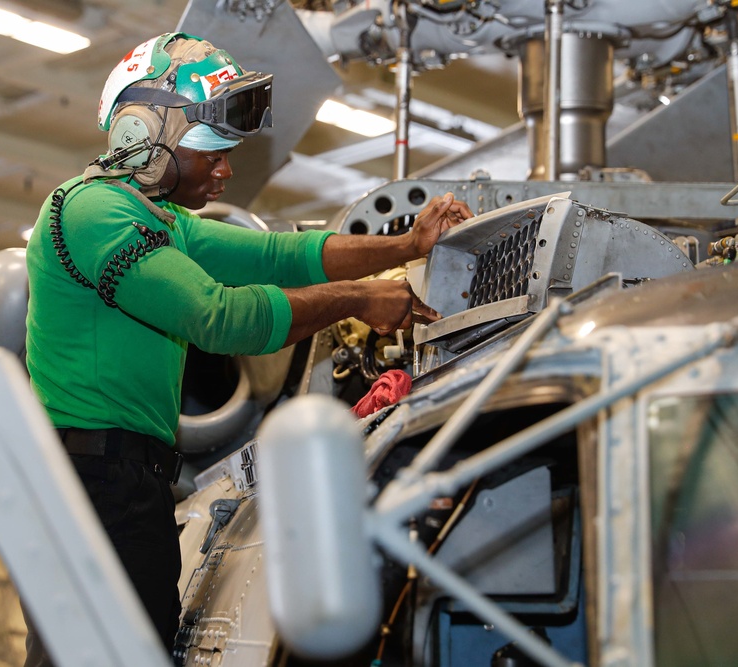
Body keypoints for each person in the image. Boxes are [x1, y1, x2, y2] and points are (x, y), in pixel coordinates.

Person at [23, 31, 473, 664]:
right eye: (214, 152)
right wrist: (356, 299)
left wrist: (407, 246)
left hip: (122, 479)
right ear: (143, 137)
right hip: (96, 480)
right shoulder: (92, 212)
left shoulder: (160, 221)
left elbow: (277, 252)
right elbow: (219, 318)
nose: (226, 170)